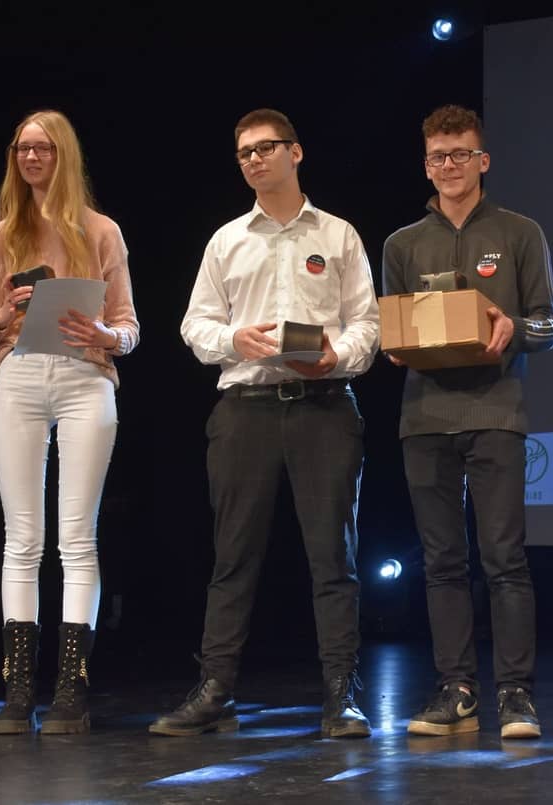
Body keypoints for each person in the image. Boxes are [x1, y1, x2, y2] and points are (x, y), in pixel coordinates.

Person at [150, 109, 379, 739]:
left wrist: (336, 356)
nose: (253, 159)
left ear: (295, 152)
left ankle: (340, 694)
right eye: (244, 152)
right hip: (245, 408)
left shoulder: (338, 235)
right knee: (233, 556)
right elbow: (195, 324)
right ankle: (216, 689)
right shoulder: (227, 240)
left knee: (333, 558)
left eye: (265, 147)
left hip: (324, 406)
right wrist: (234, 339)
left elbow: (367, 324)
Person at [382, 105, 553, 739]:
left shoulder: (520, 232)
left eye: (460, 154)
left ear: (483, 160)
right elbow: (393, 328)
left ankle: (516, 695)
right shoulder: (401, 244)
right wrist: (394, 344)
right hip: (424, 416)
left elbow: (550, 325)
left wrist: (514, 327)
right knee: (441, 562)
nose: (449, 166)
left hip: (496, 410)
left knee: (504, 558)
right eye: (438, 156)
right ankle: (456, 689)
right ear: (425, 164)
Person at [0, 110, 140, 735]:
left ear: (64, 155)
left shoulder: (101, 231)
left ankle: (72, 688)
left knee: (77, 538)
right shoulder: (0, 237)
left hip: (84, 377)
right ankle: (18, 691)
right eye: (22, 148)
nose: (31, 158)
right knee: (21, 538)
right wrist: (3, 313)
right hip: (18, 376)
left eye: (42, 148)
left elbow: (130, 327)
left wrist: (105, 335)